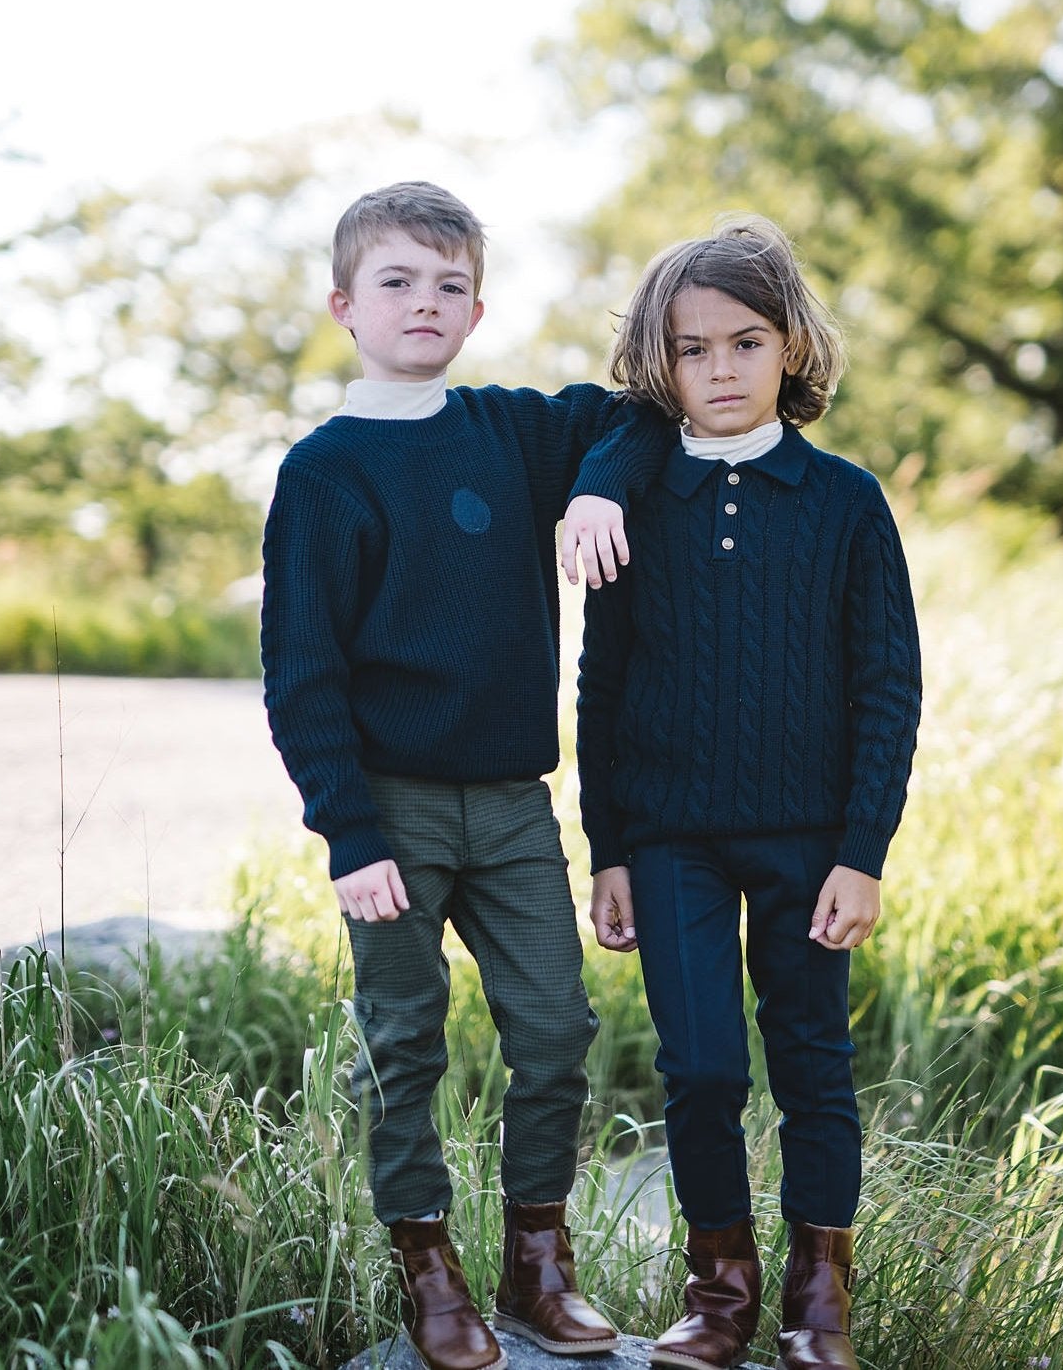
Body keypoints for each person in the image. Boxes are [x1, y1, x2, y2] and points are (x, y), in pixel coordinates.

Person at [261, 181, 660, 1370]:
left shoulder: (509, 432)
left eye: (449, 285)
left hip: (513, 807)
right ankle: (427, 1270)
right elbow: (302, 675)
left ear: (477, 310)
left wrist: (591, 485)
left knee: (555, 1024)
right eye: (396, 280)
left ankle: (538, 1266)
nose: (423, 302)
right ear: (344, 303)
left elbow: (634, 415)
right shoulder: (325, 473)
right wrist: (348, 834)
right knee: (405, 1035)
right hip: (387, 810)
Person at [575, 217, 922, 1370]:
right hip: (668, 838)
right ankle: (717, 1293)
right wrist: (607, 846)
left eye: (743, 342)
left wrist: (862, 850)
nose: (717, 371)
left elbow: (887, 688)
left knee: (811, 1059)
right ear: (659, 363)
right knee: (703, 1067)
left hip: (808, 840)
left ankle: (819, 1303)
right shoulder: (637, 499)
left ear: (790, 350)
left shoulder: (845, 500)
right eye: (689, 350)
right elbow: (602, 681)